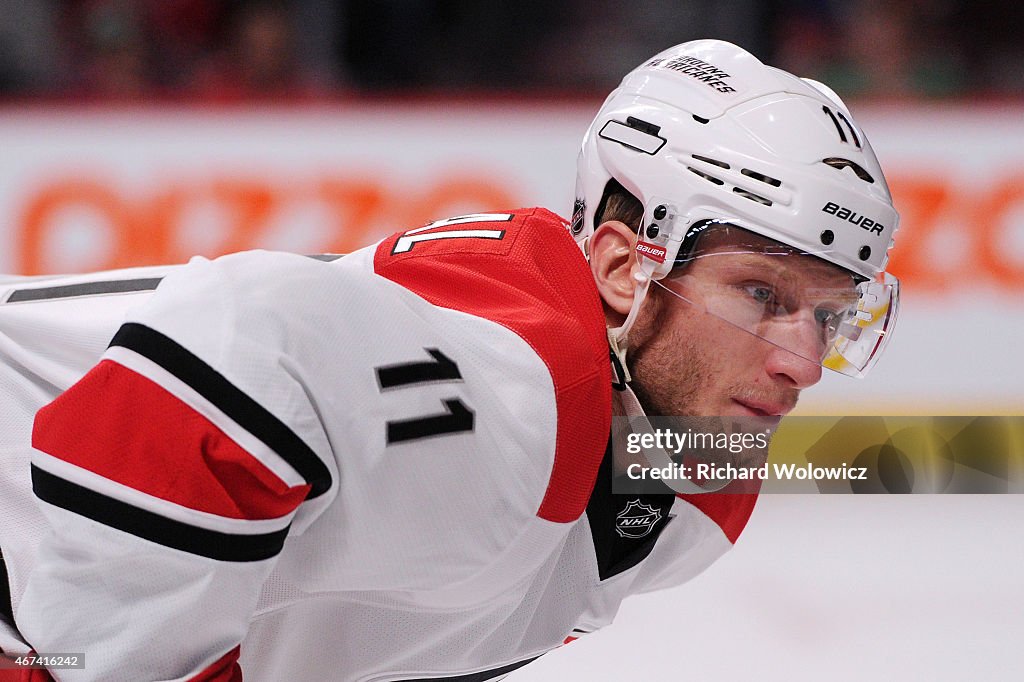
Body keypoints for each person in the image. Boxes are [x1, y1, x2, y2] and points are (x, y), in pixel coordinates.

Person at [0, 39, 899, 681]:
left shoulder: (681, 470)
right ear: (626, 269)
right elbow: (239, 346)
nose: (804, 363)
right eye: (760, 294)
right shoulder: (529, 395)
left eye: (829, 315)